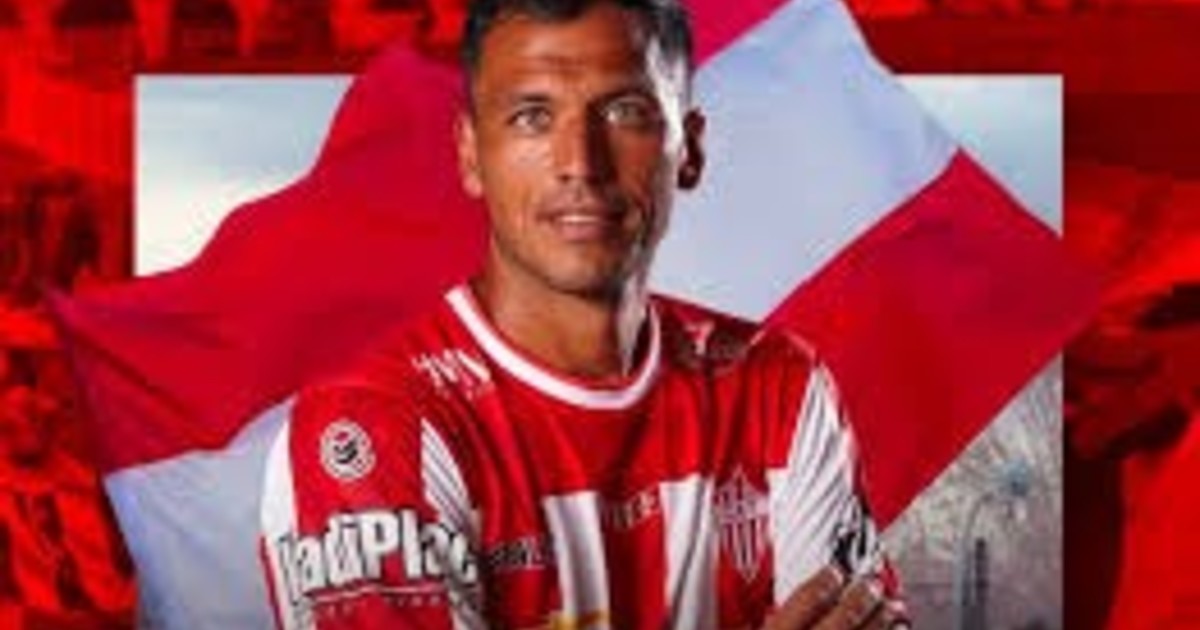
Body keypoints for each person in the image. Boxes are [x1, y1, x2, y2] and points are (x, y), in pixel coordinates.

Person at [260, 0, 906, 627]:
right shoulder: (370, 427)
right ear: (470, 153)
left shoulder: (777, 388)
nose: (581, 164)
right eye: (533, 117)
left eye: (626, 111)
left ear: (688, 149)